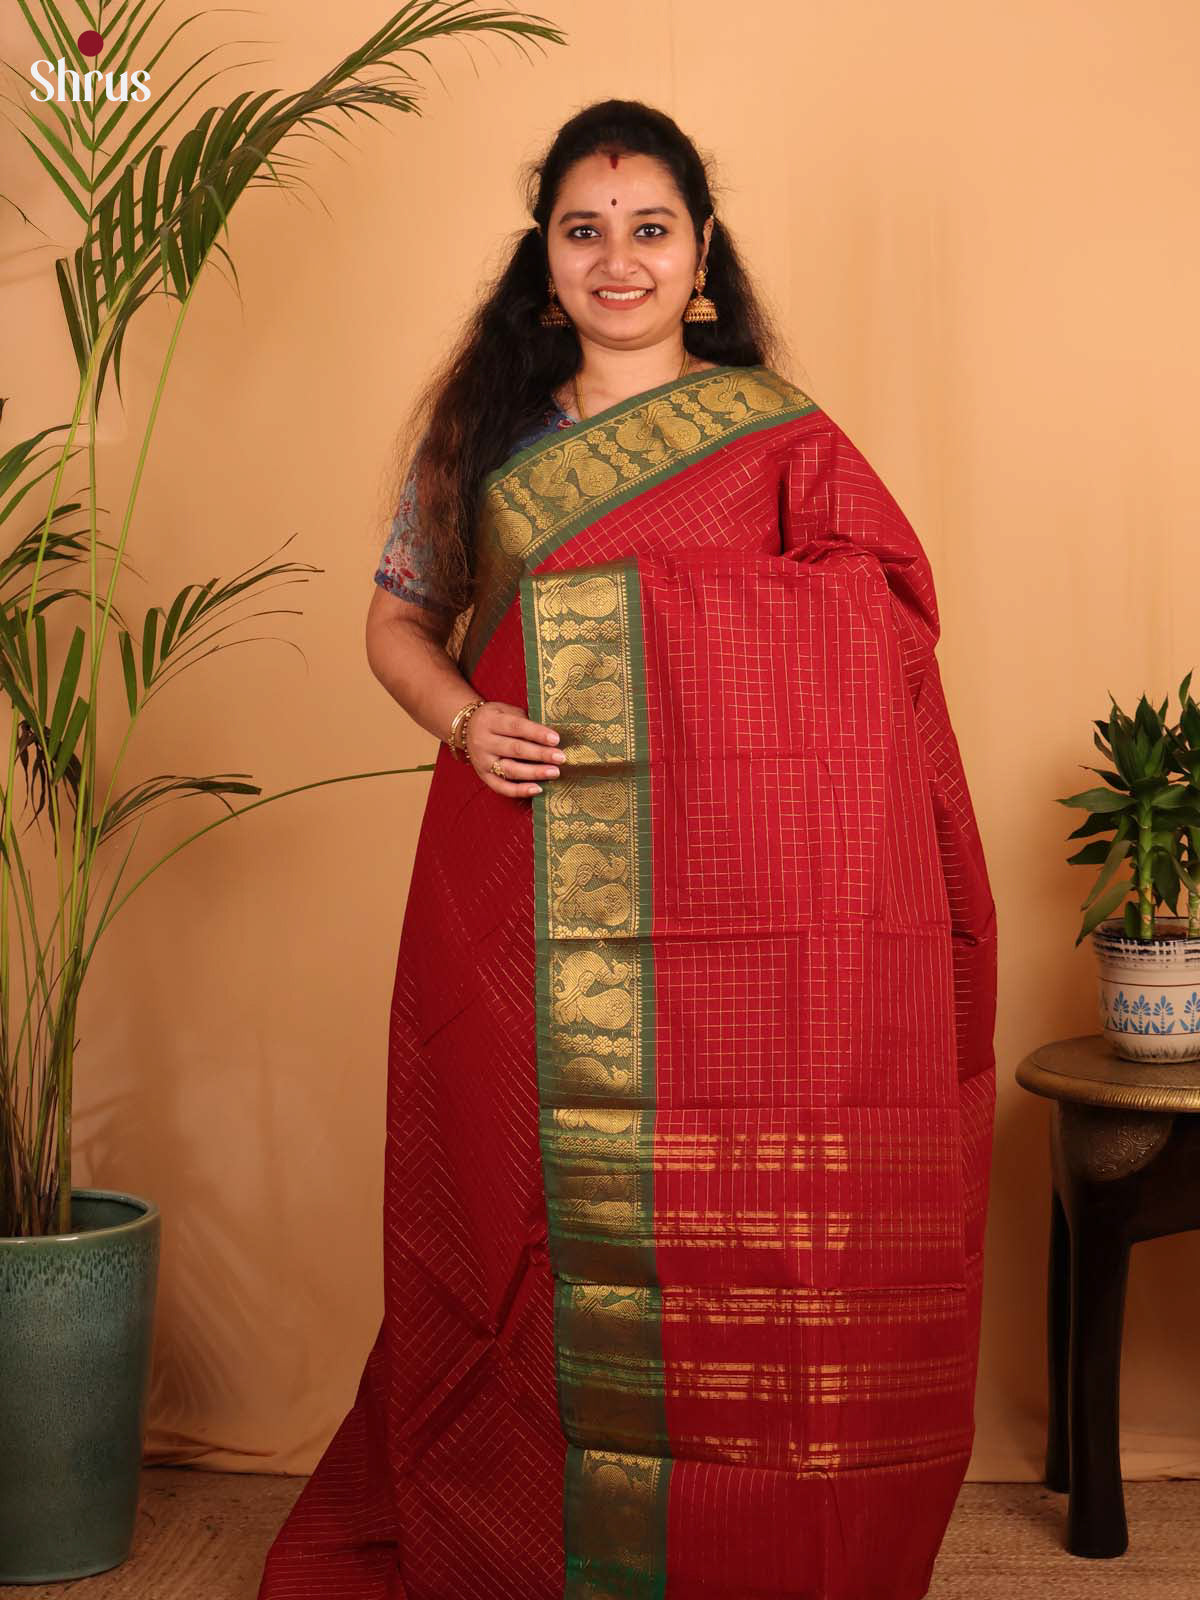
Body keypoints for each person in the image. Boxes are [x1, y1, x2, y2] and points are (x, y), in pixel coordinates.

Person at [258, 98, 997, 1600]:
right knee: (520, 1201)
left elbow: (886, 622)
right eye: (584, 231)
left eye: (649, 229)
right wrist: (465, 717)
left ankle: (758, 1548)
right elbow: (397, 620)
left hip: (750, 911)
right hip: (518, 872)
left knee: (756, 1228)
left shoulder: (779, 436)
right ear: (545, 258)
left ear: (701, 254)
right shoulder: (491, 439)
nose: (618, 260)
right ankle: (536, 1537)